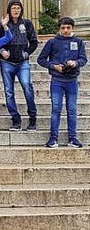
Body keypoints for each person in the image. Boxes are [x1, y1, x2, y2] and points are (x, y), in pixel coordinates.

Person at [37, 17, 88, 148]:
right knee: (56, 109)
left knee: (72, 109)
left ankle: (72, 138)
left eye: (68, 28)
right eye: (63, 28)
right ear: (59, 29)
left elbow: (83, 59)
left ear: (72, 28)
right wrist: (54, 66)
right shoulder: (52, 42)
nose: (65, 30)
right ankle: (53, 138)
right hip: (57, 81)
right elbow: (41, 59)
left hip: (72, 81)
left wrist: (75, 63)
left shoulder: (78, 41)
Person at [0, 0, 39, 131]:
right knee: (9, 92)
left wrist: (27, 53)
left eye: (18, 8)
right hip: (7, 62)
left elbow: (34, 42)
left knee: (26, 85)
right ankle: (15, 119)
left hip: (22, 62)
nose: (16, 10)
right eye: (13, 8)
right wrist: (1, 51)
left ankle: (32, 116)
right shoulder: (2, 25)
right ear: (9, 10)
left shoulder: (27, 24)